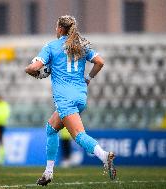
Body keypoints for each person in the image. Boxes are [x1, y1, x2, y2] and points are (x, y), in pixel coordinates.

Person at [25, 15, 116, 186]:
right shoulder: (79, 45)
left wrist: (28, 69)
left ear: (60, 28)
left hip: (64, 98)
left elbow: (35, 67)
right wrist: (88, 78)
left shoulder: (51, 46)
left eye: (56, 27)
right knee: (51, 128)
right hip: (80, 96)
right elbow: (100, 62)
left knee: (79, 136)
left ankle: (104, 156)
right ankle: (48, 173)